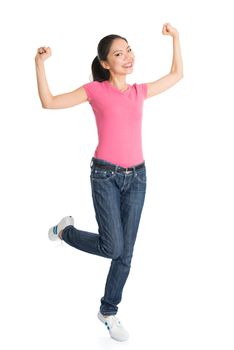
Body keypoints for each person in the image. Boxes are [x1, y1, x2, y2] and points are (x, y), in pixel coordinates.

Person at [35, 22, 183, 342]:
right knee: (112, 246)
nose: (127, 56)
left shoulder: (139, 91)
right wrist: (39, 64)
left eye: (128, 49)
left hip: (138, 177)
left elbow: (176, 75)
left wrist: (176, 38)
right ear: (105, 63)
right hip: (105, 175)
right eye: (118, 53)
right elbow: (49, 101)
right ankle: (66, 231)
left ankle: (108, 311)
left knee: (125, 253)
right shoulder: (94, 91)